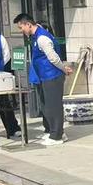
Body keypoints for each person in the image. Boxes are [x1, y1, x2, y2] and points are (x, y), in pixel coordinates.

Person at [14, 13, 73, 146]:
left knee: (54, 106)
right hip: (44, 76)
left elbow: (53, 57)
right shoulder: (36, 36)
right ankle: (57, 132)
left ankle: (56, 136)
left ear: (28, 24)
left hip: (52, 76)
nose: (21, 30)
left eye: (21, 27)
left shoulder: (42, 38)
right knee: (47, 106)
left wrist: (64, 69)